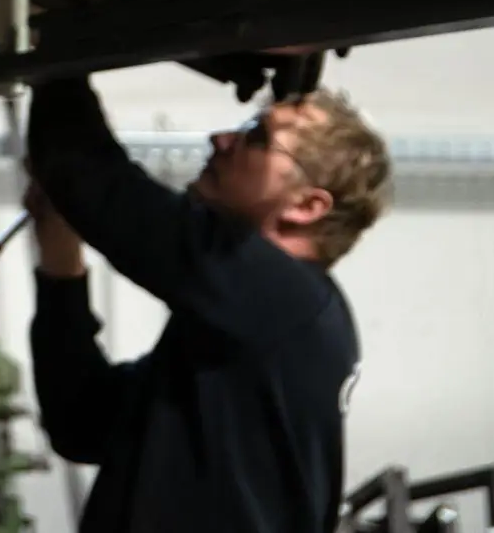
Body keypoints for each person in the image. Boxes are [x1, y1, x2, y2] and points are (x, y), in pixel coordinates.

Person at [23, 75, 392, 533]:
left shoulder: (285, 298)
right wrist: (61, 255)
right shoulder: (259, 328)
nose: (221, 140)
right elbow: (82, 420)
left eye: (257, 138)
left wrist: (58, 60)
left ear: (306, 206)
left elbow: (95, 186)